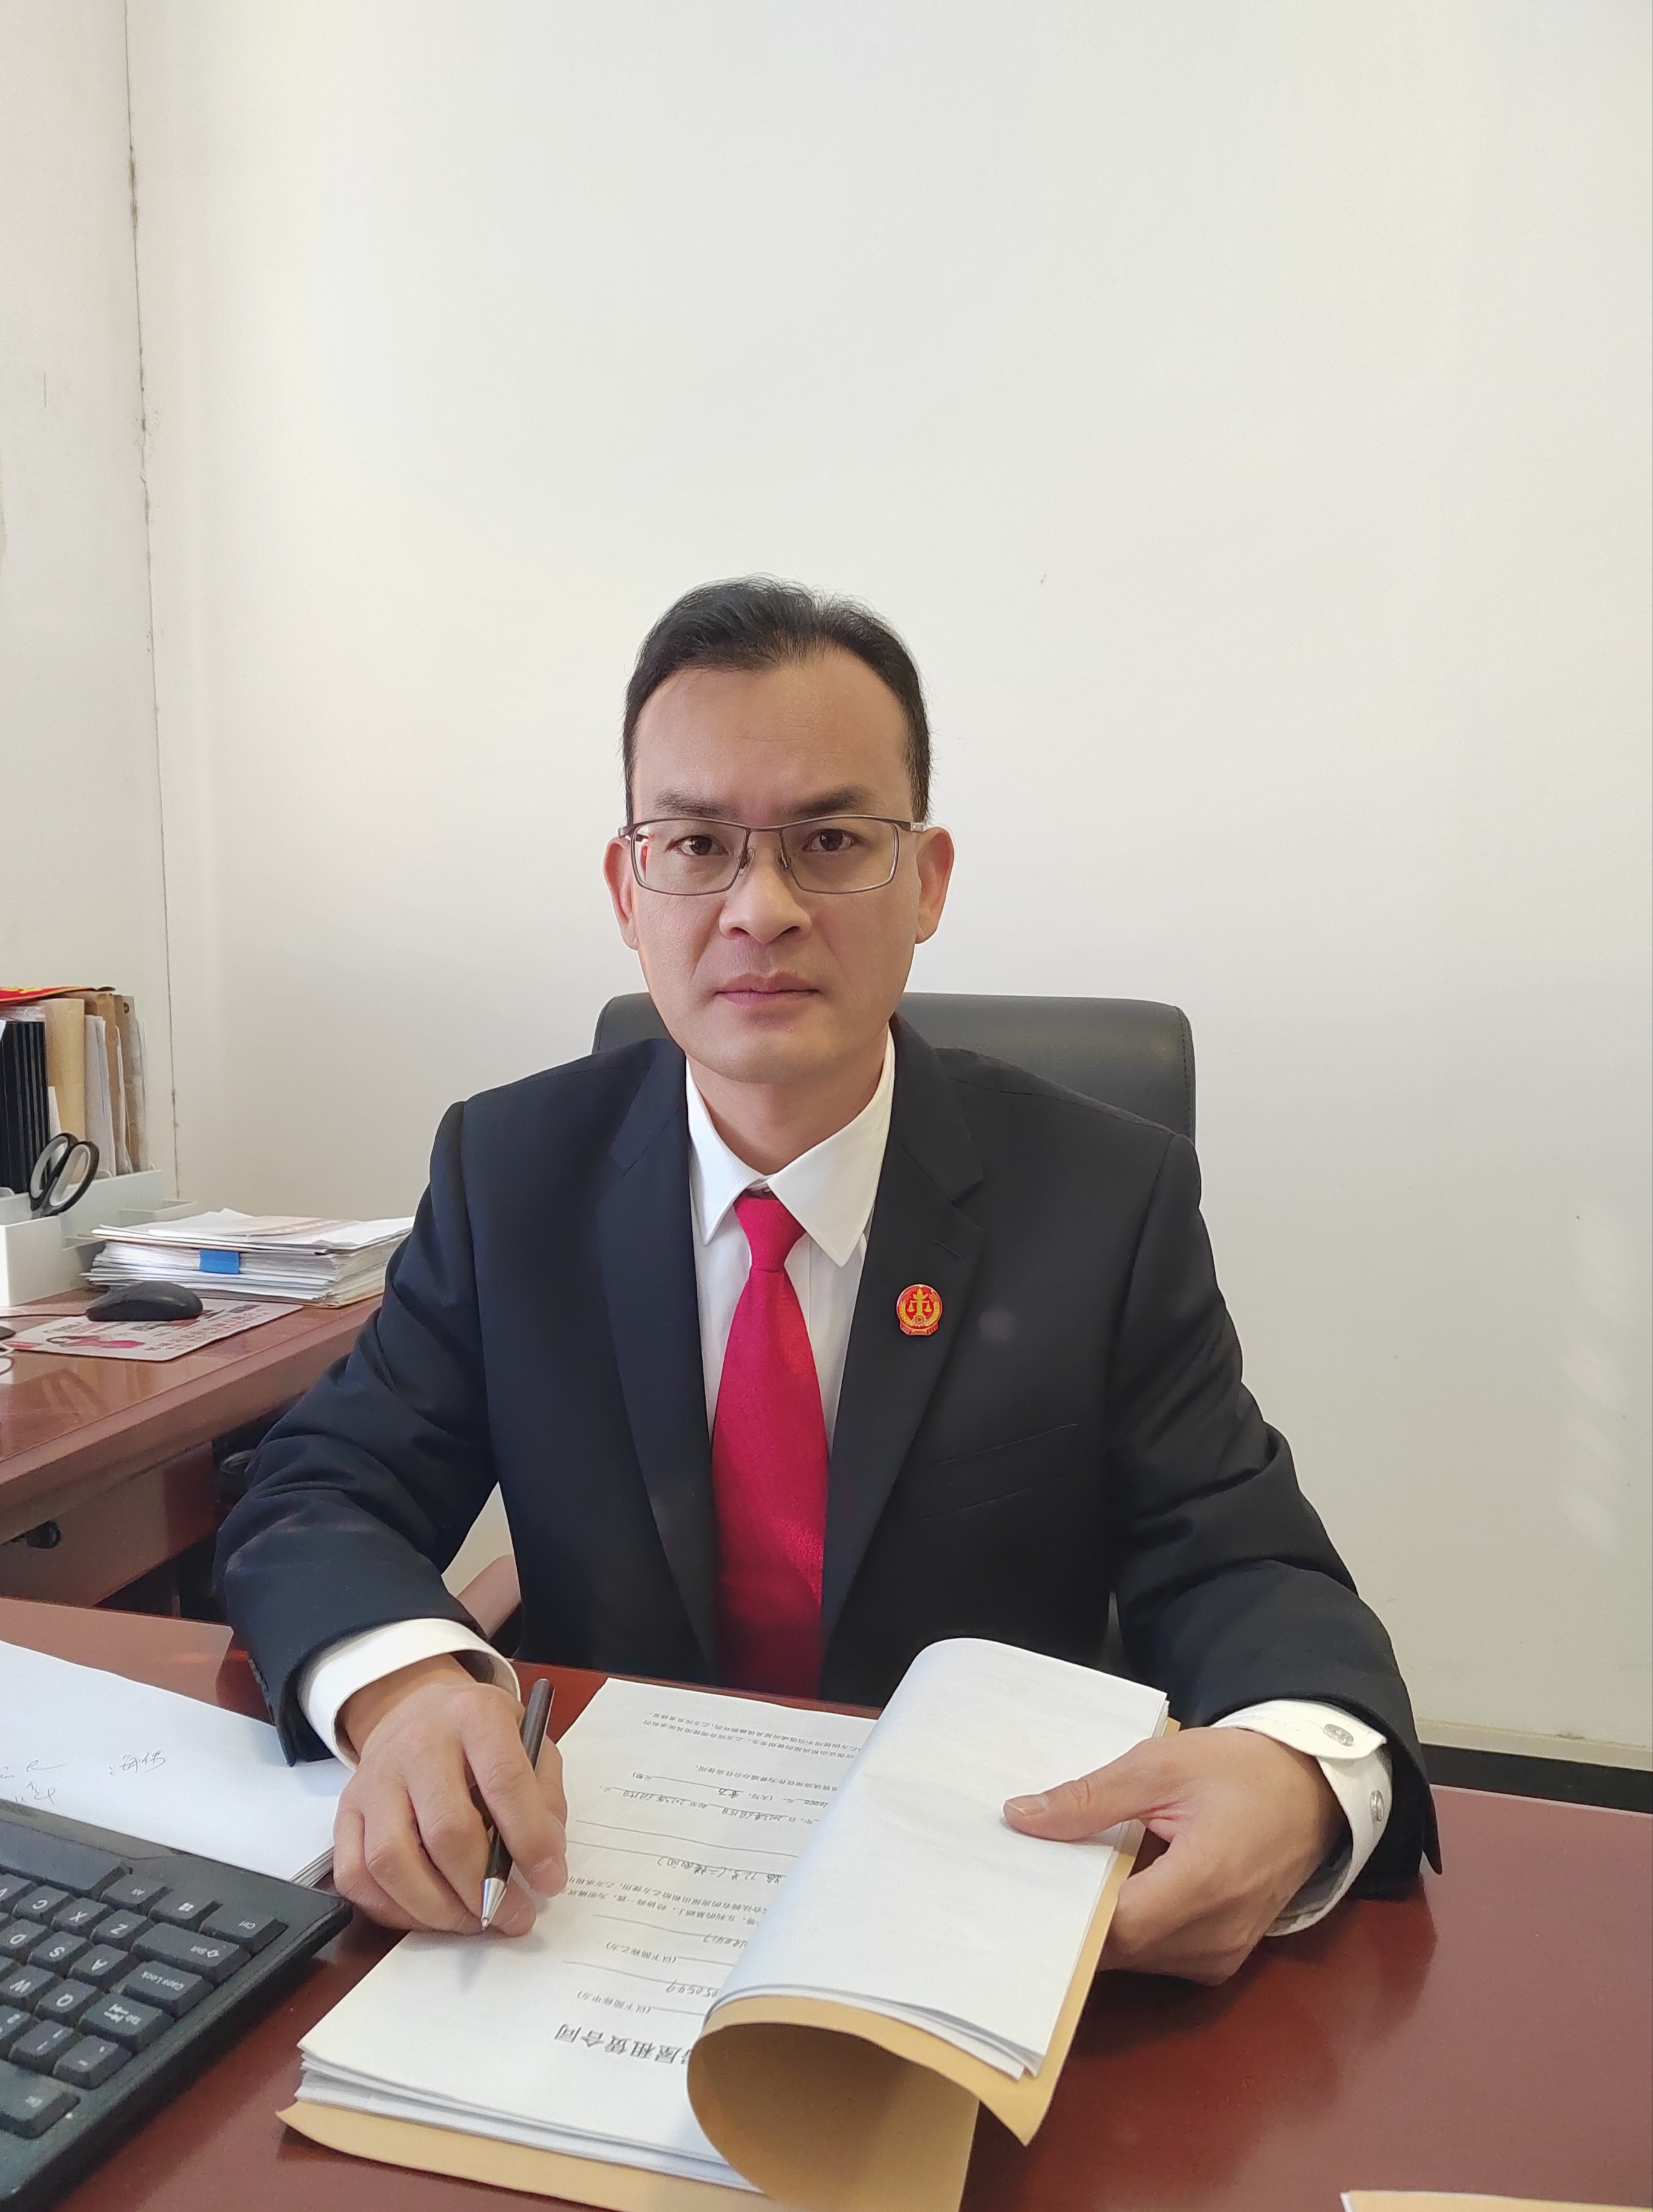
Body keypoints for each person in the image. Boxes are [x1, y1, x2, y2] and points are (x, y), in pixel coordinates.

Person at [216, 577, 1436, 1984]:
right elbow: (322, 1487)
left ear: (926, 880)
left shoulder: (1103, 1196)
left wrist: (1297, 1769)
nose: (762, 907)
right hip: (591, 1892)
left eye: (832, 841)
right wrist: (405, 1683)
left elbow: (1242, 1559)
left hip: (976, 1897)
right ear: (626, 889)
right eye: (696, 844)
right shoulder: (512, 1173)